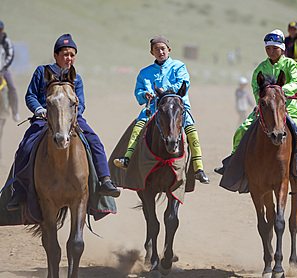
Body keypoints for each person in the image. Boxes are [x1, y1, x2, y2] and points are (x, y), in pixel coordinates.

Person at [7, 34, 120, 211]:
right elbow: (30, 96)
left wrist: (72, 115)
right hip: (44, 119)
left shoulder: (77, 78)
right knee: (25, 147)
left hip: (70, 119)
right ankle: (19, 190)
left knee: (95, 141)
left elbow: (80, 103)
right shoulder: (41, 72)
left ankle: (105, 181)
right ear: (56, 55)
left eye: (72, 55)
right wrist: (40, 110)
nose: (69, 58)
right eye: (65, 54)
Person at [214, 29, 297, 186]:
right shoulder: (261, 68)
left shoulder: (291, 65)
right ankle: (233, 161)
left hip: (288, 108)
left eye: (275, 48)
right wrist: (261, 101)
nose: (271, 51)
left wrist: (277, 93)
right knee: (242, 129)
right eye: (268, 48)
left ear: (282, 48)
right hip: (265, 109)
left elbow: (296, 83)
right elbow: (256, 87)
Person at [114, 35, 210, 184]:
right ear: (152, 52)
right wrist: (144, 94)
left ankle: (198, 169)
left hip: (177, 109)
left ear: (169, 50)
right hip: (153, 109)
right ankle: (128, 158)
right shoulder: (144, 73)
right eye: (156, 49)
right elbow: (138, 91)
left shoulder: (179, 66)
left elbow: (183, 83)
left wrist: (164, 92)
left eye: (163, 48)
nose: (160, 52)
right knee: (137, 128)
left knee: (191, 131)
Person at [0, 20, 20, 122]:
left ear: (2, 30)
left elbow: (10, 55)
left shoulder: (6, 42)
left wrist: (3, 69)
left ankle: (15, 111)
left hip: (3, 70)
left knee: (12, 87)